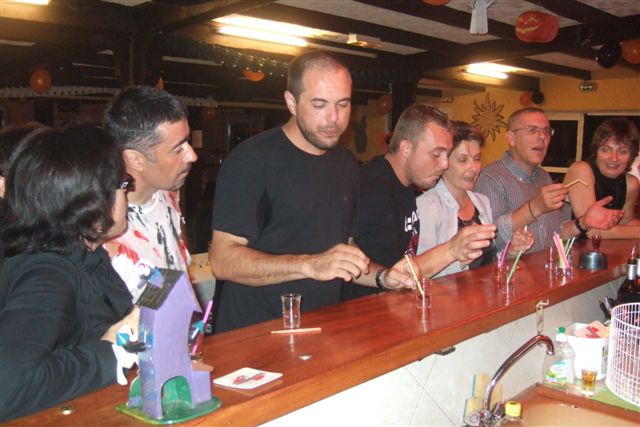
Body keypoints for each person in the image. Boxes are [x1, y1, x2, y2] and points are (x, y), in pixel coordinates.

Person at [209, 51, 415, 332]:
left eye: (343, 104)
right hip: (255, 336)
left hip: (323, 330)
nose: (334, 118)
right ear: (291, 102)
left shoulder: (346, 163)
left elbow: (344, 250)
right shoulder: (252, 160)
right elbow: (222, 260)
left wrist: (383, 277)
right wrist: (310, 265)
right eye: (319, 104)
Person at [0, 125, 138, 422]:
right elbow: (7, 389)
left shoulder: (88, 256)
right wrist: (110, 352)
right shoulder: (49, 273)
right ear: (91, 201)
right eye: (123, 184)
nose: (128, 192)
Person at [345, 106, 497, 299]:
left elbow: (403, 269)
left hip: (394, 305)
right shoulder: (372, 188)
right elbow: (389, 273)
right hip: (366, 310)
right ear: (406, 148)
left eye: (447, 154)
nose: (444, 164)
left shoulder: (405, 184)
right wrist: (452, 250)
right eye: (437, 154)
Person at [475, 107, 624, 253]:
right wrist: (536, 207)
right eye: (532, 130)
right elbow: (490, 239)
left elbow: (556, 234)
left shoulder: (543, 176)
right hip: (511, 269)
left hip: (545, 267)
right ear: (511, 138)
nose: (542, 137)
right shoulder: (491, 178)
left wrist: (584, 222)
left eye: (546, 131)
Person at [104, 85, 198, 294]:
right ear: (135, 159)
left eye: (188, 142)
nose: (192, 155)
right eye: (178, 148)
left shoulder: (169, 194)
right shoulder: (102, 227)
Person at [416, 121, 533, 278]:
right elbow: (418, 273)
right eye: (462, 160)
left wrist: (511, 252)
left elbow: (487, 263)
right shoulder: (426, 206)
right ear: (444, 162)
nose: (474, 167)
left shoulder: (481, 202)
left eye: (477, 159)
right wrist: (460, 258)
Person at [564, 117, 640, 239]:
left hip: (603, 249)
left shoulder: (631, 183)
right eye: (606, 150)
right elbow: (592, 231)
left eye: (623, 151)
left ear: (631, 155)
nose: (614, 158)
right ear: (596, 151)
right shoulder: (581, 170)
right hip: (565, 248)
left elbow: (626, 222)